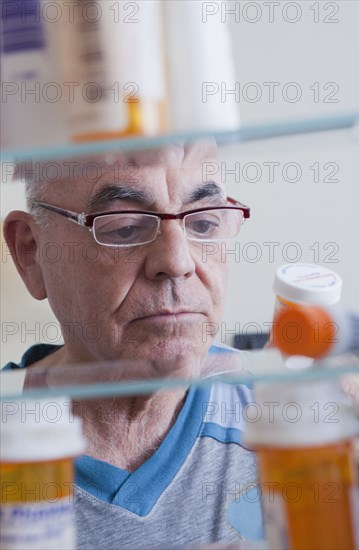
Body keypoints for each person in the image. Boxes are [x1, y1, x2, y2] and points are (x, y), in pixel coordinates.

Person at [3, 141, 263, 549]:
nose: (178, 262)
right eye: (124, 227)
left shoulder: (296, 415)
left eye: (204, 223)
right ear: (32, 253)